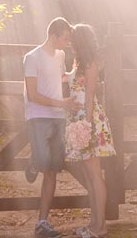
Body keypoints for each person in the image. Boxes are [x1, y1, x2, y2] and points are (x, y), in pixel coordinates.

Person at [23, 17, 80, 238]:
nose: (67, 43)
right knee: (44, 162)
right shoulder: (32, 58)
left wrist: (78, 74)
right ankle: (34, 161)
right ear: (53, 36)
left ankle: (42, 222)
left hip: (58, 117)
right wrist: (61, 103)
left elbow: (61, 78)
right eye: (65, 38)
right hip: (38, 116)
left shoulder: (61, 55)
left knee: (52, 170)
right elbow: (32, 94)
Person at [65, 24, 116, 238]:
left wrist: (86, 126)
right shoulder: (78, 63)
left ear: (79, 40)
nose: (69, 42)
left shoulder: (91, 63)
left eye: (72, 39)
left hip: (90, 120)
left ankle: (100, 227)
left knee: (95, 175)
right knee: (88, 175)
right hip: (78, 120)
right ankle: (93, 223)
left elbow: (90, 96)